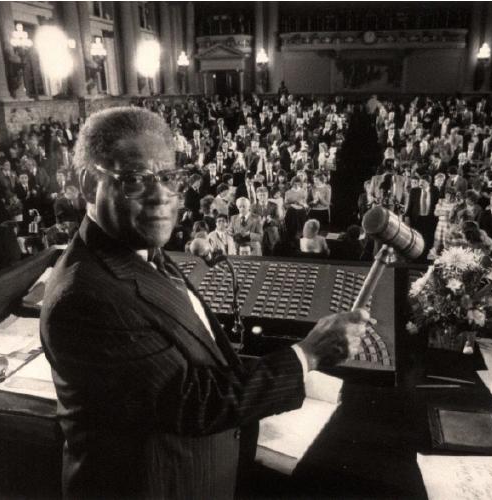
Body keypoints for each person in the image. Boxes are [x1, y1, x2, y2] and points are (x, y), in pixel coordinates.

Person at [40, 107, 371, 499]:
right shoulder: (83, 297)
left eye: (167, 177)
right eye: (133, 179)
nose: (161, 195)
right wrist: (306, 356)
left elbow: (199, 361)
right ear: (86, 182)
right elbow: (191, 401)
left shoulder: (140, 251)